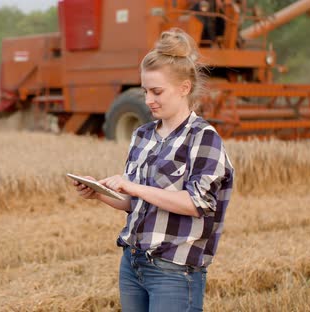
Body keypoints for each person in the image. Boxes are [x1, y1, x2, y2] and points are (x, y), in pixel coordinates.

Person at [72, 28, 234, 312]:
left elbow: (198, 203)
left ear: (184, 88)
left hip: (174, 270)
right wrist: (98, 193)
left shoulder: (203, 137)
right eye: (145, 91)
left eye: (157, 91)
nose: (148, 100)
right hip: (133, 263)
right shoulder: (142, 135)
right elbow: (134, 204)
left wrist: (131, 186)